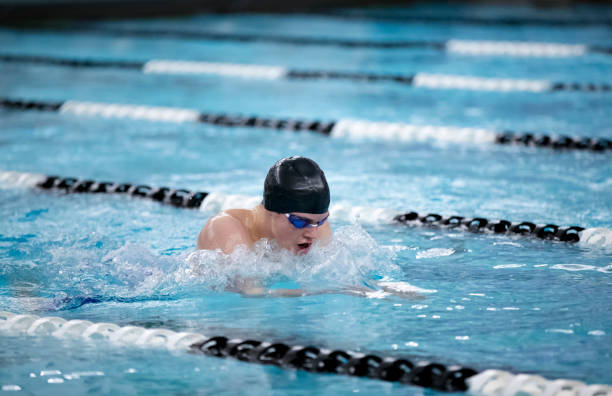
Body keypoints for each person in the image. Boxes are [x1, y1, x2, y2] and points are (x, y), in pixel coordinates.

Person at [197, 156, 332, 255]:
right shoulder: (225, 228)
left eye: (321, 221)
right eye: (300, 222)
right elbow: (251, 291)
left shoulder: (317, 226)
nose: (313, 234)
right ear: (273, 211)